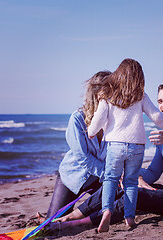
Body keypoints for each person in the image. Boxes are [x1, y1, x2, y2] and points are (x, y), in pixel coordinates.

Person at [49, 82, 163, 233]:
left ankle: (78, 224)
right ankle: (74, 214)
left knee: (136, 195)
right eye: (160, 101)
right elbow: (154, 171)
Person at [87, 59, 163, 232]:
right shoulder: (140, 96)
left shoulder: (107, 94)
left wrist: (92, 132)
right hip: (137, 146)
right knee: (130, 182)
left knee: (110, 179)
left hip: (115, 145)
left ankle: (106, 211)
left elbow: (98, 119)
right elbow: (157, 117)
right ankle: (129, 217)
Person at [38, 71, 111, 222]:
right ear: (98, 94)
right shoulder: (77, 119)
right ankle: (47, 218)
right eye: (110, 91)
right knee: (53, 221)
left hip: (97, 180)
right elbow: (84, 159)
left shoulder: (114, 121)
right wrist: (111, 174)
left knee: (117, 198)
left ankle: (79, 215)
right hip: (72, 177)